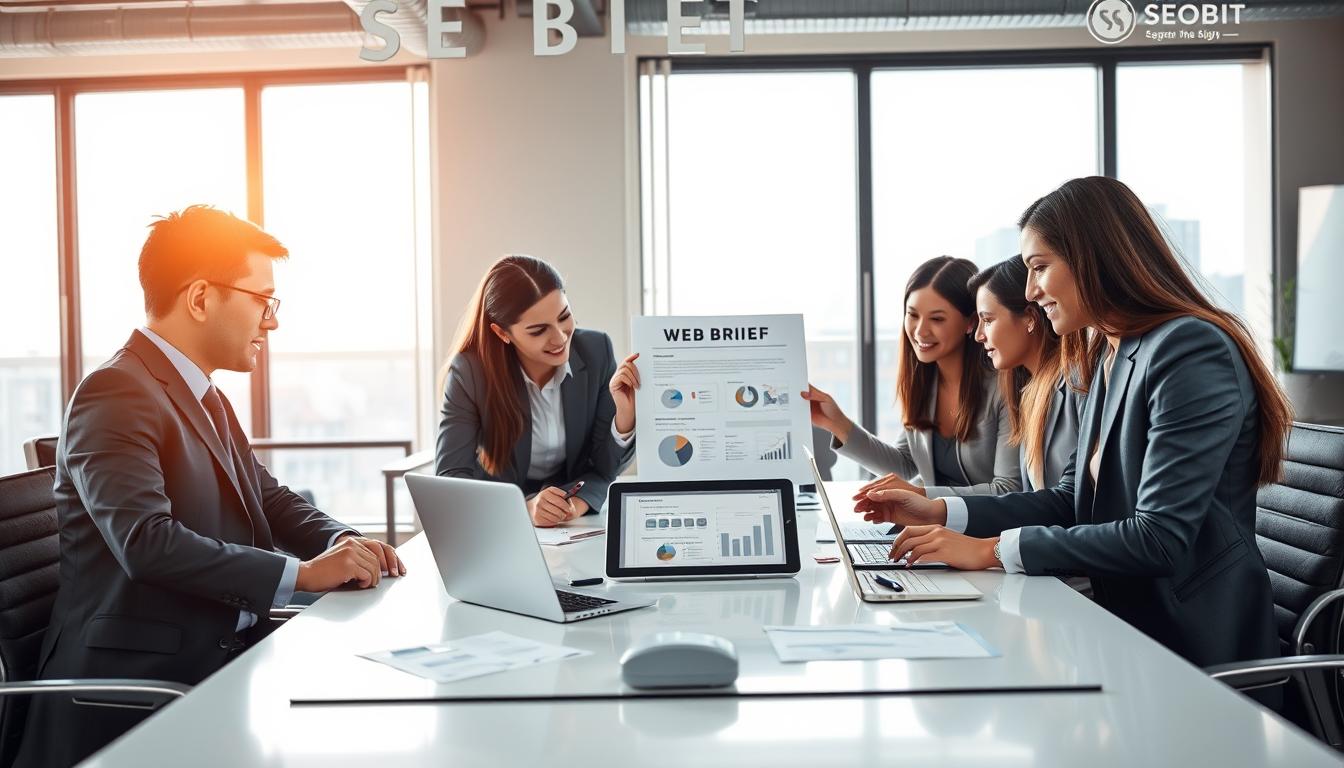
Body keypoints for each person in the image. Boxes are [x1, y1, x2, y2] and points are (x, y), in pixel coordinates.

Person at [17, 206, 405, 768]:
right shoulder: (116, 392)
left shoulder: (205, 394)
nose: (271, 322)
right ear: (200, 298)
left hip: (219, 663)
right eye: (262, 300)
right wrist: (302, 574)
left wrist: (343, 540)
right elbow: (147, 543)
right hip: (137, 691)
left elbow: (265, 495)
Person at [864, 176, 1290, 667]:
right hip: (1120, 628)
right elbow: (1069, 500)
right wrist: (939, 512)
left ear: (1093, 257)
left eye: (1039, 267)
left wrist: (991, 551)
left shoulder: (1188, 349)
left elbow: (1159, 538)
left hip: (1189, 646)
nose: (1031, 291)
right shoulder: (1111, 354)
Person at [436, 254, 636, 526]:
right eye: (538, 330)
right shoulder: (470, 372)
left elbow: (604, 468)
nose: (560, 337)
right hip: (498, 524)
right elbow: (451, 480)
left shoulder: (596, 351)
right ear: (502, 333)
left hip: (575, 524)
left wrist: (624, 416)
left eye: (564, 317)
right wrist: (525, 509)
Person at [802, 255, 1020, 499]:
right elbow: (905, 466)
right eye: (913, 315)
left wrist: (921, 495)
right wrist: (837, 423)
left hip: (984, 524)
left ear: (971, 322)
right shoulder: (926, 384)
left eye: (937, 319)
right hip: (936, 521)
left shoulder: (1004, 387)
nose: (920, 331)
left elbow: (1008, 489)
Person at [967, 256, 1080, 492]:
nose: (979, 335)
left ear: (1029, 318)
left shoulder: (1076, 384)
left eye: (988, 320)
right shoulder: (1030, 393)